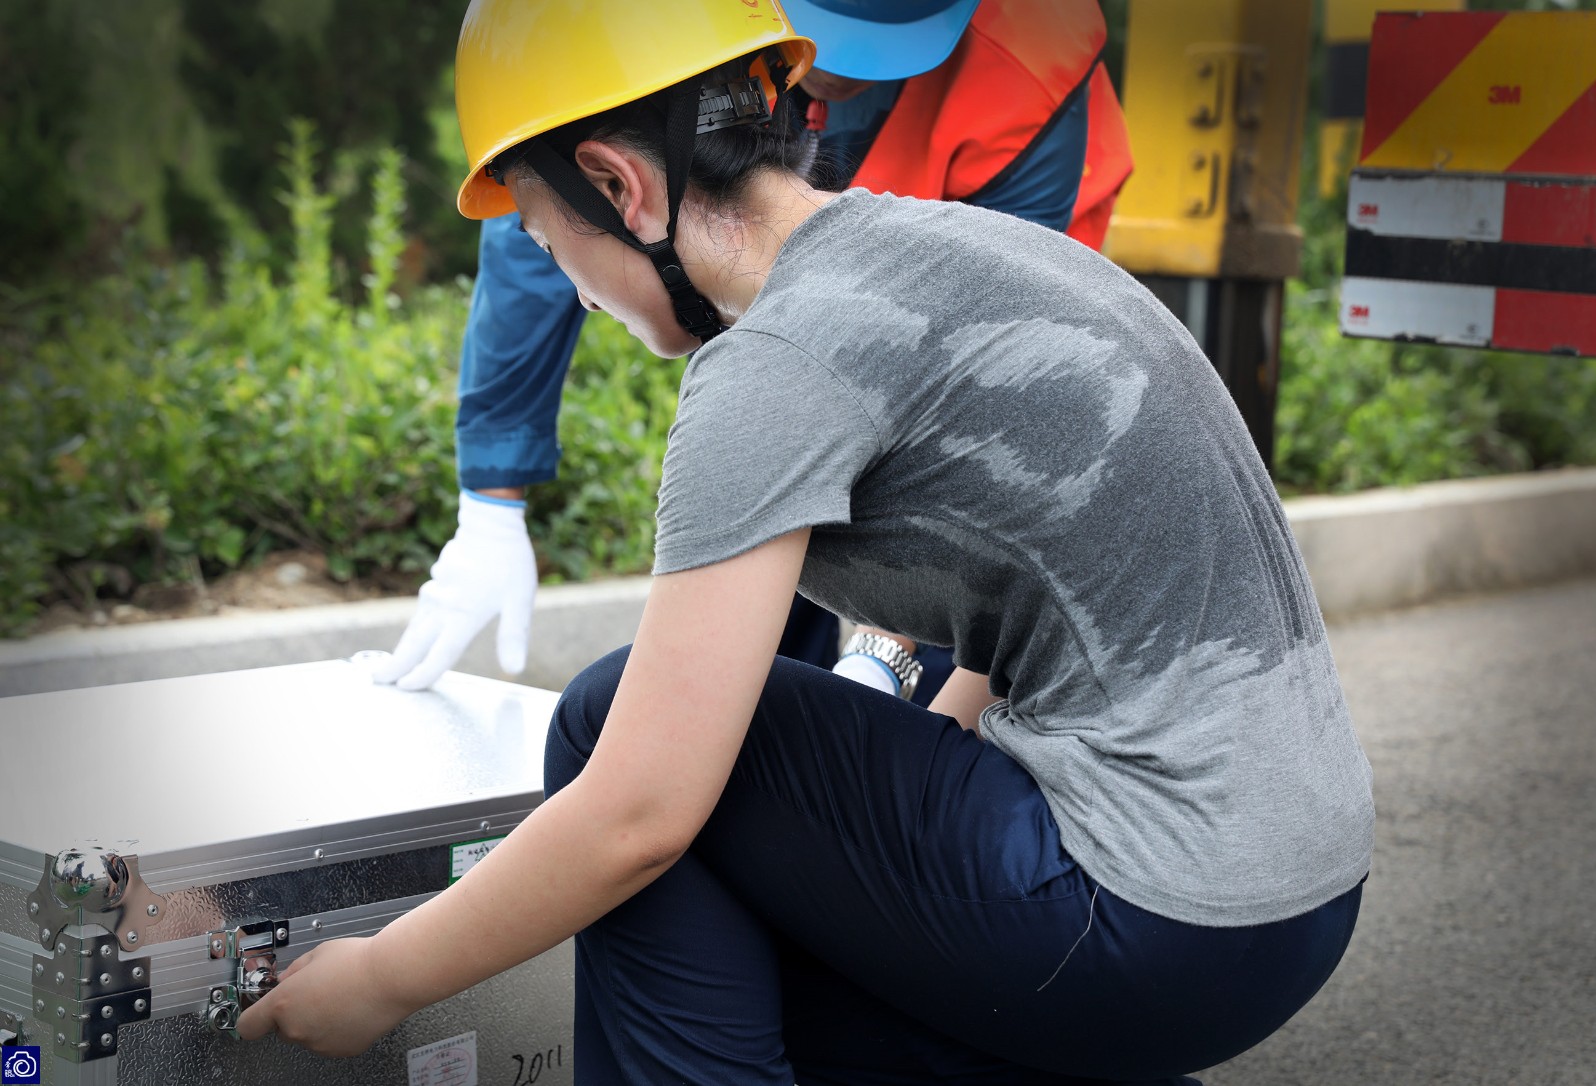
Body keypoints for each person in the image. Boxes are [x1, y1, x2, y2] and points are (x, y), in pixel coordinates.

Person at [238, 2, 1375, 1083]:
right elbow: (1029, 584)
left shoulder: (777, 363)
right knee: (777, 986)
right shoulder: (951, 253)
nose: (570, 289)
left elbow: (638, 816)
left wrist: (381, 980)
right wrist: (896, 832)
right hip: (1291, 901)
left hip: (1148, 913)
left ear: (618, 185)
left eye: (541, 237)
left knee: (606, 721)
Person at [372, 0, 1133, 705]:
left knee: (929, 649)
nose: (840, 71)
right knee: (756, 654)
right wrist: (491, 500)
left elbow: (981, 399)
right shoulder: (680, 31)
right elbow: (556, 197)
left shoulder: (1033, 69)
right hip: (769, 303)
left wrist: (883, 654)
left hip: (962, 351)